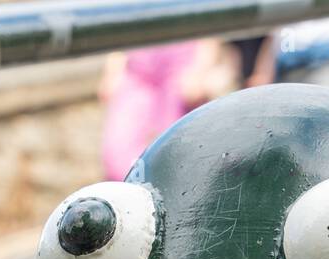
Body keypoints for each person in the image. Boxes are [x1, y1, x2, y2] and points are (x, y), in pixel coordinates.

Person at [98, 41, 239, 180]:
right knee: (117, 147)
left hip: (181, 67)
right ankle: (128, 188)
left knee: (174, 146)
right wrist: (113, 70)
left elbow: (208, 34)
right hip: (139, 68)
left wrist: (200, 70)